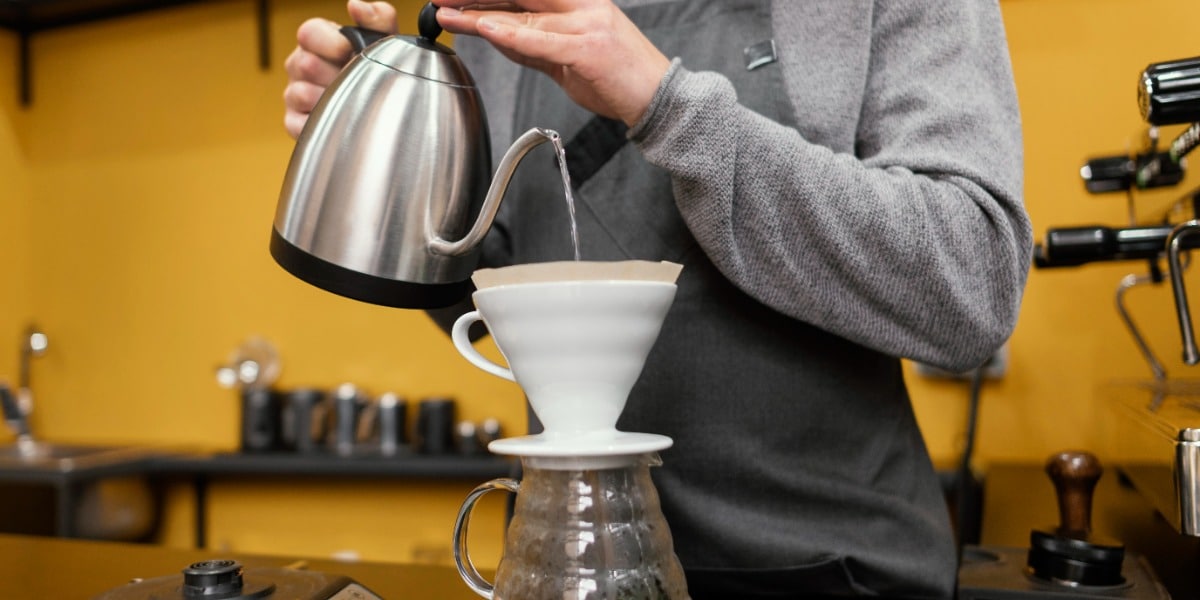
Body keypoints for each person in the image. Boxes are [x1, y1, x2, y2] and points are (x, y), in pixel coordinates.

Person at [283, 1, 1032, 597]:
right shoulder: (497, 16)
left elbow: (972, 279)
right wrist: (403, 147)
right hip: (572, 564)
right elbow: (494, 296)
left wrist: (667, 106)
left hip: (833, 570)